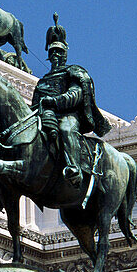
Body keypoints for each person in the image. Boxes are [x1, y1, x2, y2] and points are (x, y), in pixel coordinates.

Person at [31, 14, 110, 186]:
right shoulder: (42, 81)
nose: (56, 56)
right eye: (53, 53)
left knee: (66, 130)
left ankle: (74, 168)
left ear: (65, 54)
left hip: (68, 115)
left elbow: (75, 95)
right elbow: (34, 104)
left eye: (59, 52)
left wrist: (54, 101)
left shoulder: (73, 72)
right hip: (46, 116)